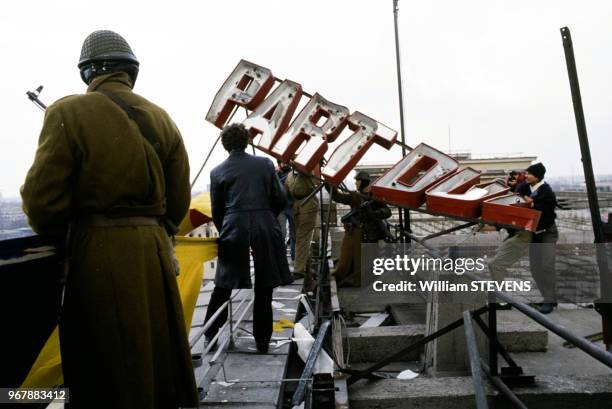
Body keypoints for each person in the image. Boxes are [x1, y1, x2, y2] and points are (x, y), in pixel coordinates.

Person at [20, 30, 199, 408]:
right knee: (152, 359)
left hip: (98, 252)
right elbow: (179, 200)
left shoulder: (67, 111)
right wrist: (153, 231)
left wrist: (71, 235)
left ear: (88, 73)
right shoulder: (161, 117)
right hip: (153, 254)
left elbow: (42, 202)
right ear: (131, 72)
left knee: (104, 364)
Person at [205, 123, 292, 353]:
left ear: (225, 145)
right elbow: (280, 198)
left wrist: (230, 226)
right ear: (247, 141)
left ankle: (210, 335)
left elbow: (217, 211)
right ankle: (262, 341)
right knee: (265, 286)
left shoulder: (217, 172)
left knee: (223, 284)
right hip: (265, 222)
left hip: (234, 224)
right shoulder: (264, 164)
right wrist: (266, 217)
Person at [488, 162, 558, 314]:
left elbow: (544, 214)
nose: (526, 176)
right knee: (535, 268)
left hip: (546, 232)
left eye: (529, 174)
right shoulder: (524, 188)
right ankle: (547, 297)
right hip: (532, 232)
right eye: (526, 173)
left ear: (538, 176)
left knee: (546, 265)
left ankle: (550, 300)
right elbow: (514, 200)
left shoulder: (546, 192)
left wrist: (532, 205)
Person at [327, 171, 391, 287]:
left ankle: (362, 281)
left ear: (363, 182)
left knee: (366, 261)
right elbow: (338, 197)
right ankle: (342, 277)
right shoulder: (355, 196)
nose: (356, 183)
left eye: (357, 180)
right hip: (354, 231)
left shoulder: (375, 197)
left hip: (369, 233)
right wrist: (329, 184)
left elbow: (387, 211)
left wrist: (375, 213)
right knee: (345, 258)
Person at [284, 168, 320, 290]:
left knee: (302, 238)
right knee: (300, 238)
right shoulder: (290, 175)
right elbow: (286, 191)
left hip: (308, 204)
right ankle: (307, 270)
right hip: (297, 206)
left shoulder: (305, 171)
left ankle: (299, 270)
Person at [276, 160, 296, 262]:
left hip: (291, 206)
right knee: (281, 233)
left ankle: (294, 256)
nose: (285, 164)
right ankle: (281, 257)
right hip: (281, 207)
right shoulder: (276, 174)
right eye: (282, 163)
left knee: (294, 233)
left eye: (286, 162)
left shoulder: (293, 173)